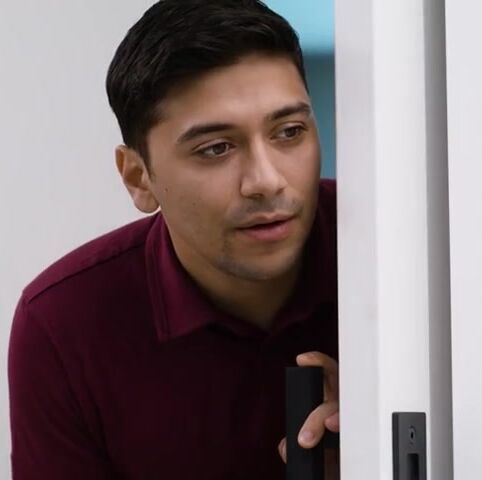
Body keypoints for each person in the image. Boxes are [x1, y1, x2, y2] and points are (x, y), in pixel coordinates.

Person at [7, 1, 340, 478]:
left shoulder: (406, 257)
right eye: (216, 148)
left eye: (289, 132)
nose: (266, 181)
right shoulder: (64, 324)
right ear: (138, 177)